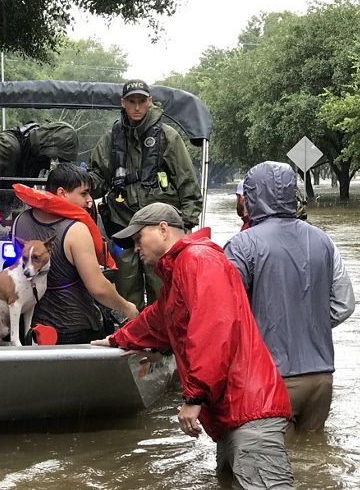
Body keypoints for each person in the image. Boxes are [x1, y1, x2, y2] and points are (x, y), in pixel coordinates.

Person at [92, 202, 294, 489]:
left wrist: (193, 398)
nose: (135, 248)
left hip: (250, 412)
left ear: (163, 229)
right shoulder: (180, 270)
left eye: (138, 239)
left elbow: (213, 330)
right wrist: (116, 339)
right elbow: (158, 320)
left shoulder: (198, 259)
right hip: (235, 414)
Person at [224, 161, 356, 433]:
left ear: (252, 196)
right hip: (321, 377)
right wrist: (307, 323)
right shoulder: (324, 240)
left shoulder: (241, 244)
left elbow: (224, 310)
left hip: (270, 377)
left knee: (275, 468)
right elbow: (344, 304)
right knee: (315, 457)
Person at [87, 79, 203, 309]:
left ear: (149, 102)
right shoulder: (111, 139)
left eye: (141, 101)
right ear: (123, 103)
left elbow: (187, 183)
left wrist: (186, 225)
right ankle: (129, 339)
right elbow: (97, 179)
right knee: (126, 295)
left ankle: (165, 342)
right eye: (132, 102)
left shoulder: (168, 137)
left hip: (159, 232)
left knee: (164, 292)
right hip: (123, 227)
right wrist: (79, 183)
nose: (137, 107)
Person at [12, 163, 138, 344]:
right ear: (62, 193)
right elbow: (98, 288)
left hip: (32, 329)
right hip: (75, 329)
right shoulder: (76, 230)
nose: (89, 200)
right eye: (83, 193)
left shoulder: (20, 221)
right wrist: (127, 308)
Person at [0, 121, 78, 186]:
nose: (53, 162)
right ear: (46, 146)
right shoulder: (8, 146)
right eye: (55, 157)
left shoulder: (33, 160)